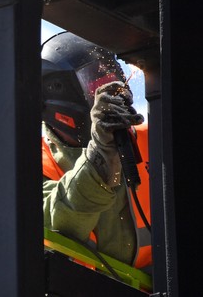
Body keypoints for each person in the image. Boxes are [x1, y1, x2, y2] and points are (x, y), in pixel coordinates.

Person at [40, 32, 152, 273]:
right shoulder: (28, 162)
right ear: (59, 93)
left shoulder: (153, 140)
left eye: (114, 81)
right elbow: (58, 221)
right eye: (95, 86)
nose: (109, 95)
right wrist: (100, 157)